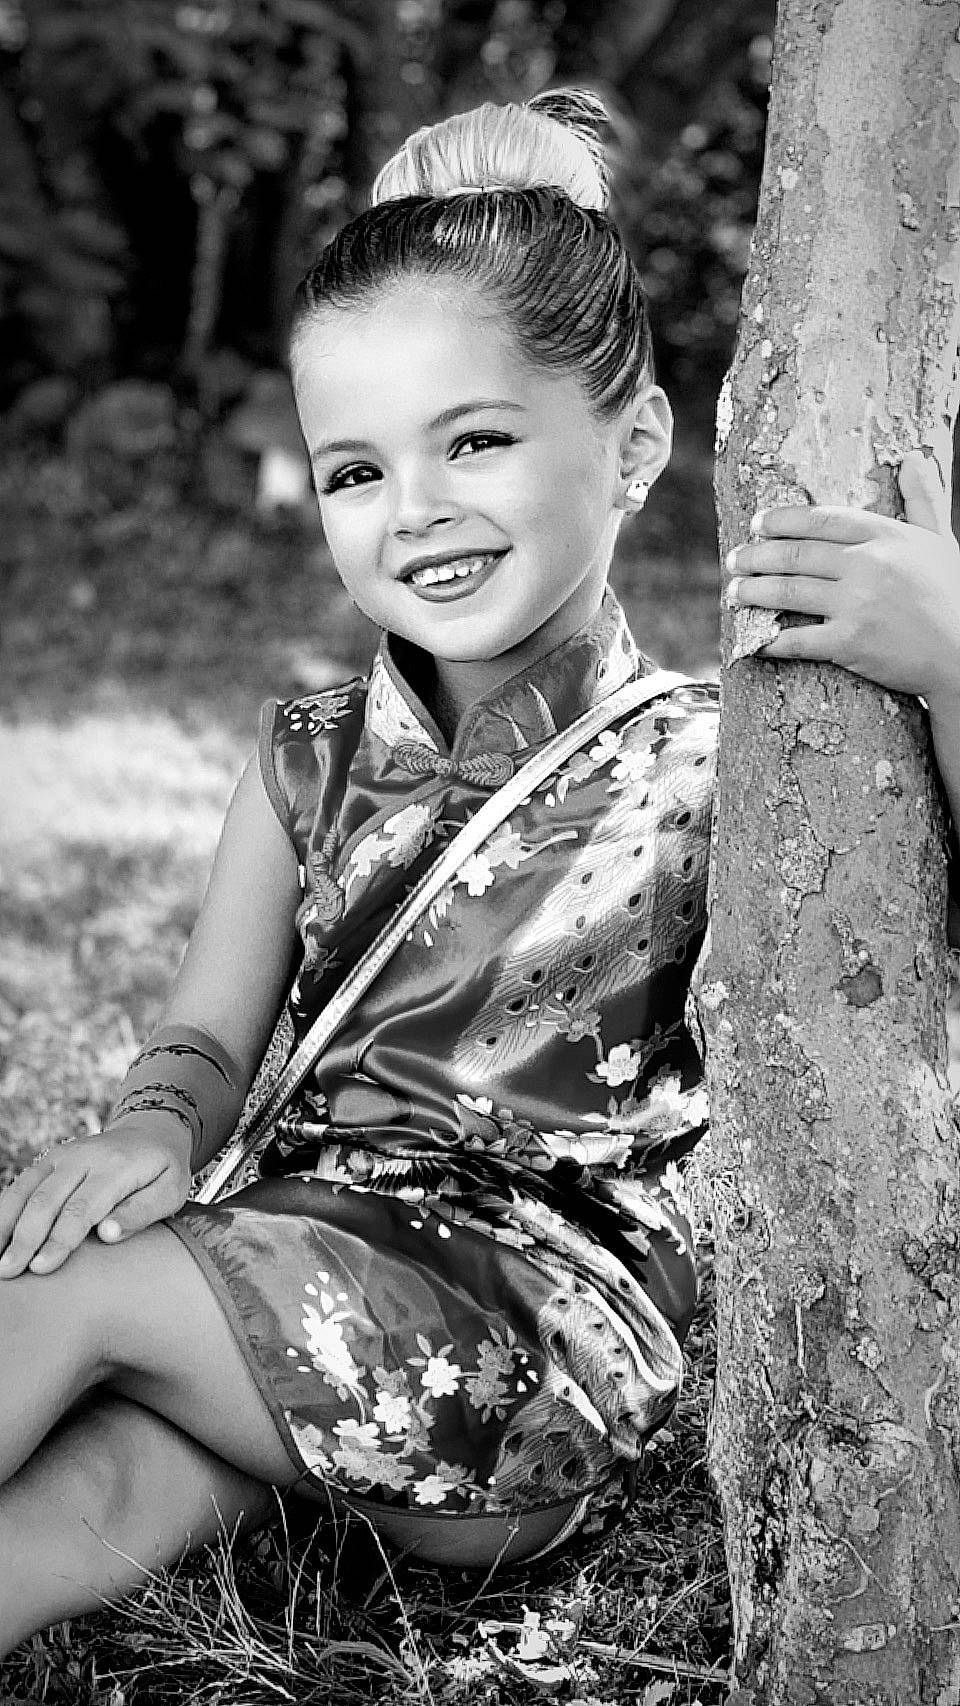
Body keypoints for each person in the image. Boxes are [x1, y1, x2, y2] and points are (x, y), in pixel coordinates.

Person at [2, 87, 959, 1657]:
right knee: (100, 1477)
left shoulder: (724, 761)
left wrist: (959, 666)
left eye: (479, 441)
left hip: (529, 1346)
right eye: (355, 471)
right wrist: (157, 1127)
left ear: (636, 437)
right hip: (292, 1281)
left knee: (64, 1302)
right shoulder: (303, 751)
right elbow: (204, 1036)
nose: (418, 513)